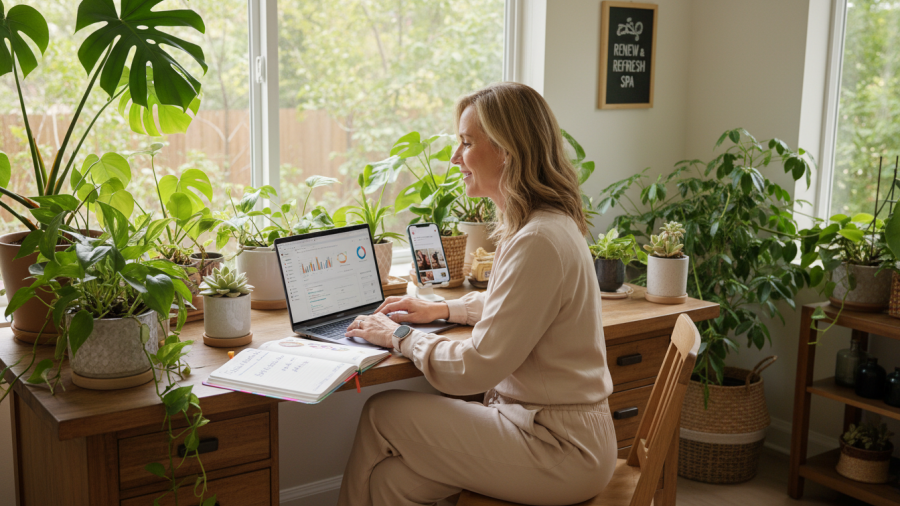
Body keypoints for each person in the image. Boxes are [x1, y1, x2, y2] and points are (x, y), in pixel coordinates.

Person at [338, 82, 615, 506]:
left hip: (560, 448)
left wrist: (398, 336)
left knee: (382, 412)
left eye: (466, 143)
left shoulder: (539, 239)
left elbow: (477, 367)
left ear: (506, 150)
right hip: (542, 429)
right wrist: (442, 308)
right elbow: (517, 306)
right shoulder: (543, 225)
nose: (455, 158)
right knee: (391, 482)